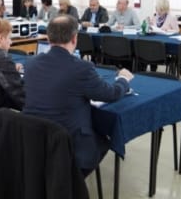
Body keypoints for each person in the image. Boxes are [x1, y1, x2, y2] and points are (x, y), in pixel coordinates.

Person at [23, 15, 133, 174]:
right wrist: (123, 79)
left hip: (35, 141)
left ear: (48, 38)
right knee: (105, 139)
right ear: (75, 38)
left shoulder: (31, 63)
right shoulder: (82, 68)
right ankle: (74, 182)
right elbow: (111, 94)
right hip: (70, 144)